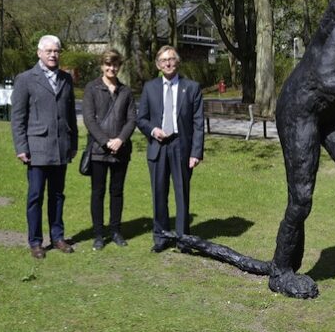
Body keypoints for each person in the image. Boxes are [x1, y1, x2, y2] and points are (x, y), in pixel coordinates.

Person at [11, 35, 78, 259]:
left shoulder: (66, 79)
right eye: (48, 51)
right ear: (39, 53)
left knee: (58, 195)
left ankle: (58, 237)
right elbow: (18, 117)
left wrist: (73, 144)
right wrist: (21, 146)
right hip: (37, 147)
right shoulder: (26, 79)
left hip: (61, 147)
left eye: (56, 51)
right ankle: (36, 242)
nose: (53, 55)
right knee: (36, 196)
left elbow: (70, 115)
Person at [137, 45, 204, 253]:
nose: (168, 63)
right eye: (164, 60)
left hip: (181, 147)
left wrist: (196, 152)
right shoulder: (150, 87)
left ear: (178, 62)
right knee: (159, 192)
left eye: (172, 59)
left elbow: (198, 122)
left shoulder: (191, 87)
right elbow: (141, 119)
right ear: (158, 64)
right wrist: (153, 130)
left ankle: (184, 239)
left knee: (182, 192)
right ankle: (161, 236)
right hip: (158, 146)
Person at [82, 49, 136, 250]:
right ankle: (98, 234)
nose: (111, 68)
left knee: (117, 192)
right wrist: (106, 141)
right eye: (107, 64)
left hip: (121, 151)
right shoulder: (92, 88)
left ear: (119, 66)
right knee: (98, 192)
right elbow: (89, 119)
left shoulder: (126, 91)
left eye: (115, 65)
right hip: (98, 150)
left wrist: (120, 139)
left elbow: (132, 119)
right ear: (101, 66)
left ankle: (115, 231)